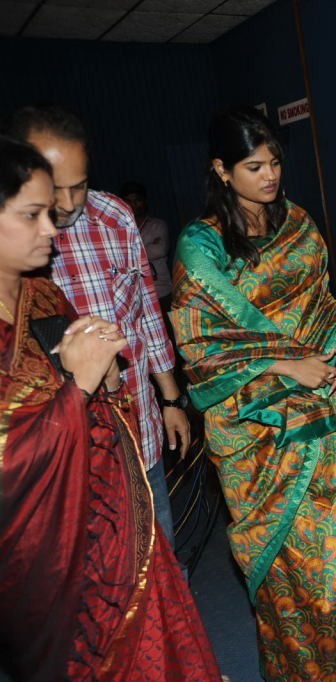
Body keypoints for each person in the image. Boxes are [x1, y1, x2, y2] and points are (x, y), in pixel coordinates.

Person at [170, 107, 336, 680]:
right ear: (222, 170)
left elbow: (319, 299)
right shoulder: (201, 246)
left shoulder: (295, 221)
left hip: (322, 407)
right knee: (296, 554)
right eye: (253, 166)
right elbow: (203, 338)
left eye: (274, 163)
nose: (269, 176)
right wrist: (287, 364)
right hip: (257, 426)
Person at [0, 136, 221, 681]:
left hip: (118, 511)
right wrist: (78, 385)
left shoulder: (45, 295)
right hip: (52, 554)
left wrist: (115, 375)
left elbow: (144, 313)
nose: (53, 226)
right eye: (33, 214)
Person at [8, 104, 188, 545]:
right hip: (57, 461)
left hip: (137, 425)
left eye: (80, 186)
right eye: (55, 190)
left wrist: (170, 398)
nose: (68, 205)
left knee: (159, 556)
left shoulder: (115, 217)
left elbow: (145, 311)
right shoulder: (15, 247)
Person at [120, 180, 173, 312]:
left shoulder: (158, 225)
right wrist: (147, 246)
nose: (133, 204)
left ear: (145, 201)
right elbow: (117, 258)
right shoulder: (120, 230)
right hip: (136, 295)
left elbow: (159, 250)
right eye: (128, 201)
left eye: (137, 200)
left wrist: (128, 251)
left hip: (161, 291)